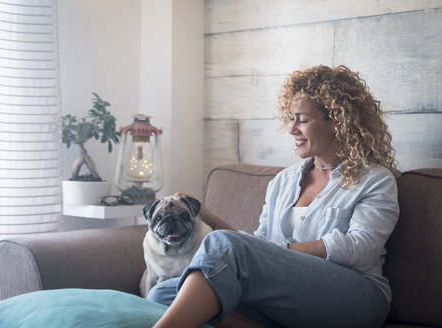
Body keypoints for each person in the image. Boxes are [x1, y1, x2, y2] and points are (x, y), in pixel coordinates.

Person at [148, 65, 400, 328]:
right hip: (290, 301)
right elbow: (257, 246)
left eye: (302, 119)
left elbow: (361, 248)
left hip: (356, 296)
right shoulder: (284, 181)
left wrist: (282, 253)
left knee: (222, 250)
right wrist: (207, 215)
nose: (291, 129)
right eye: (291, 118)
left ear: (337, 121)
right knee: (163, 293)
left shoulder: (374, 179)